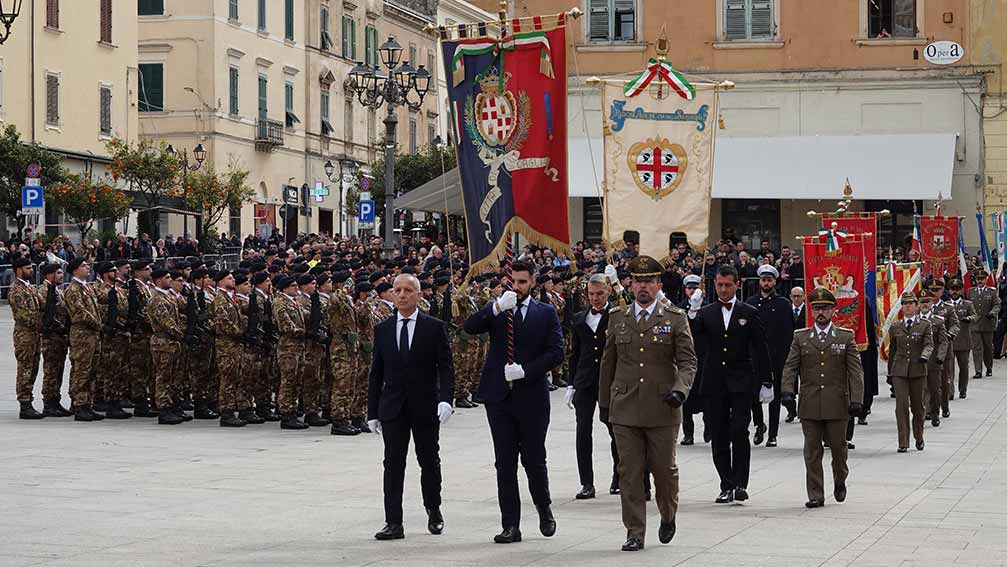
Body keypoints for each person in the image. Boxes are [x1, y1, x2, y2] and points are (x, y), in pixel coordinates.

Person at [599, 256, 696, 552]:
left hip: (662, 407)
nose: (643, 287)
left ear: (658, 284)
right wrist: (604, 404)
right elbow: (608, 362)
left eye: (649, 281)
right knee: (629, 471)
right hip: (625, 407)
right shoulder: (618, 316)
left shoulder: (675, 317)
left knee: (663, 470)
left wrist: (680, 390)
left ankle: (668, 514)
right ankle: (635, 531)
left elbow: (688, 361)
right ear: (630, 283)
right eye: (638, 281)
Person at [463, 260, 563, 544]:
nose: (517, 287)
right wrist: (495, 307)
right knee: (504, 463)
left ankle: (544, 509)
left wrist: (527, 370)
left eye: (522, 282)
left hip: (531, 396)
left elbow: (556, 352)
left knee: (533, 460)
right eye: (513, 281)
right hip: (499, 397)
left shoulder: (545, 313)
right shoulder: (500, 309)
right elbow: (470, 327)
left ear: (533, 281)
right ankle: (510, 524)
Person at [368, 274, 455, 541]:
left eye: (408, 290)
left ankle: (434, 510)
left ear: (418, 295)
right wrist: (372, 412)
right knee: (393, 464)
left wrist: (445, 399)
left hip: (425, 405)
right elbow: (377, 372)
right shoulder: (383, 329)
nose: (402, 295)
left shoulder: (433, 327)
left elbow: (446, 367)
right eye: (397, 290)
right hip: (393, 407)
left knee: (429, 461)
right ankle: (393, 521)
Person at [688, 264, 771, 503]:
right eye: (720, 285)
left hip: (741, 380)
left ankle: (740, 483)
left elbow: (760, 347)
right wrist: (693, 311)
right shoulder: (706, 312)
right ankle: (726, 483)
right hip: (714, 381)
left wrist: (767, 381)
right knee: (719, 433)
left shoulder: (749, 311)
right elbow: (692, 340)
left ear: (737, 285)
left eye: (728, 285)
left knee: (739, 430)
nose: (723, 290)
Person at [781, 287, 864, 508]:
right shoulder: (801, 337)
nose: (820, 313)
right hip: (809, 402)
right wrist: (787, 390)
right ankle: (816, 494)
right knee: (812, 450)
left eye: (825, 309)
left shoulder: (845, 337)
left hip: (837, 403)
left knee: (839, 448)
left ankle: (840, 479)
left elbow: (855, 371)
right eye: (816, 308)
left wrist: (857, 399)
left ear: (833, 311)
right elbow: (790, 366)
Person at [566, 273, 616, 500]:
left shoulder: (618, 315)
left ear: (609, 292)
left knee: (616, 430)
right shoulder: (579, 318)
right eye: (591, 294)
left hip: (610, 381)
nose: (595, 299)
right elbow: (575, 354)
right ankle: (586, 482)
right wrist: (571, 383)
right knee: (582, 431)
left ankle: (619, 476)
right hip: (585, 381)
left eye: (599, 294)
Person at [746, 264, 796, 448]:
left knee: (774, 397)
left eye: (769, 280)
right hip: (755, 357)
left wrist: (787, 357)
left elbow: (789, 332)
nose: (766, 283)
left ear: (775, 281)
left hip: (776, 356)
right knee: (753, 395)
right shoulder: (751, 303)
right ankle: (759, 424)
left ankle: (773, 434)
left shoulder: (782, 304)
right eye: (763, 280)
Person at [887, 291, 933, 453]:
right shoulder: (895, 326)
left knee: (918, 407)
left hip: (918, 370)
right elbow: (892, 351)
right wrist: (889, 373)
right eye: (905, 304)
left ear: (916, 306)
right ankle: (903, 441)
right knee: (901, 406)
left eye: (911, 304)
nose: (908, 307)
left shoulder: (924, 325)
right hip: (899, 370)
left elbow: (929, 344)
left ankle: (919, 436)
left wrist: (924, 356)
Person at [64, 258, 105, 421]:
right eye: (83, 266)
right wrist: (98, 324)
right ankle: (79, 405)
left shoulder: (86, 287)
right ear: (75, 270)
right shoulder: (73, 289)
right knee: (82, 370)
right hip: (82, 335)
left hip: (92, 334)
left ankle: (87, 403)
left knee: (91, 370)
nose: (87, 268)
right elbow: (80, 313)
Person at [10, 258, 44, 419]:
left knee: (33, 368)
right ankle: (24, 403)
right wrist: (43, 322)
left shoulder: (29, 288)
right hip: (25, 336)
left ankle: (28, 399)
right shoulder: (16, 290)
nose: (31, 270)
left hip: (35, 335)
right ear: (19, 270)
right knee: (25, 369)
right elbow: (24, 316)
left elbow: (41, 305)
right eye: (28, 268)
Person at [680, 274, 709, 444]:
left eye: (695, 288)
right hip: (686, 358)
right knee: (686, 399)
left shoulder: (707, 308)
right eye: (689, 288)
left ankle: (709, 428)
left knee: (706, 396)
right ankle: (688, 433)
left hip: (704, 357)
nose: (691, 291)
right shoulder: (680, 308)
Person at [918, 289, 949, 427]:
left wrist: (940, 356)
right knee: (920, 389)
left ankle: (935, 413)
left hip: (934, 361)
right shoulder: (914, 321)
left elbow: (943, 341)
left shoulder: (938, 321)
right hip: (917, 361)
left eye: (927, 301)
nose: (925, 304)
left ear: (932, 303)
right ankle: (923, 412)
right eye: (922, 302)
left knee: (935, 389)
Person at [948, 278, 978, 401]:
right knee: (949, 369)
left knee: (964, 367)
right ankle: (950, 392)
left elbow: (975, 316)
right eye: (952, 289)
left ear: (961, 290)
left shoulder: (967, 304)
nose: (954, 292)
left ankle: (963, 389)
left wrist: (969, 318)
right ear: (949, 291)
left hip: (964, 340)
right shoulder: (945, 304)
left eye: (957, 289)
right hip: (949, 341)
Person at [968, 267, 1000, 379]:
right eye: (978, 279)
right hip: (975, 325)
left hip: (987, 324)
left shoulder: (992, 291)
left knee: (987, 348)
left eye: (982, 278)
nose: (980, 281)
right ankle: (978, 370)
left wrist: (992, 312)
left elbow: (997, 305)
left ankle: (989, 366)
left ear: (986, 279)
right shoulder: (970, 292)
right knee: (976, 348)